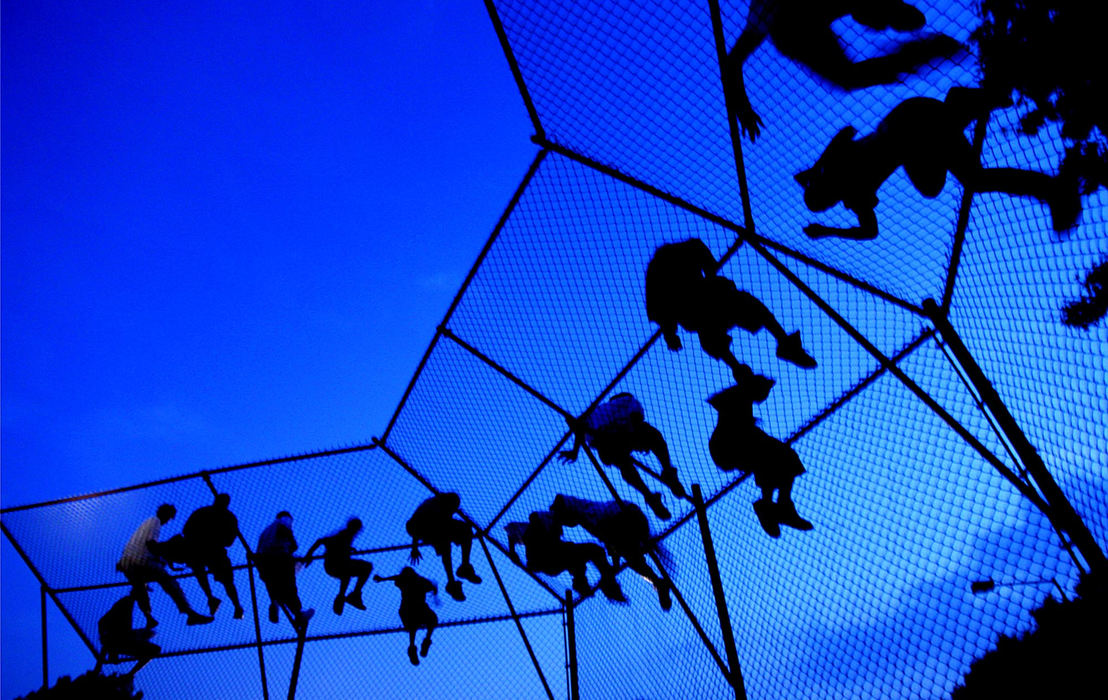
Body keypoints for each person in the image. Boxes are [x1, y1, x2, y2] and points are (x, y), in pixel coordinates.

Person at [796, 86, 1082, 240]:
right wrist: (815, 170)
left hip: (911, 129)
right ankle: (957, 108)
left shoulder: (847, 186)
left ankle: (1054, 191)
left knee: (973, 180)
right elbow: (847, 132)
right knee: (933, 184)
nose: (833, 201)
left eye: (827, 201)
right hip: (910, 121)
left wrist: (827, 231)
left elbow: (869, 230)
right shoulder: (836, 171)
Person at [723, 0, 963, 140]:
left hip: (792, 25)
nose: (876, 30)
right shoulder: (771, 16)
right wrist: (742, 106)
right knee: (847, 77)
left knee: (848, 76)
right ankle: (906, 35)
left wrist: (742, 107)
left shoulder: (773, 17)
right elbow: (733, 62)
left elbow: (733, 62)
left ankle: (903, 31)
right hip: (790, 24)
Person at [646, 239, 817, 380]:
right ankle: (767, 353)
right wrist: (670, 333)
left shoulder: (664, 265)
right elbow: (661, 311)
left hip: (704, 305)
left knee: (718, 325)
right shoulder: (669, 262)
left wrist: (670, 333)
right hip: (700, 307)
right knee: (736, 312)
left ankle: (743, 366)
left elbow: (661, 311)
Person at [707, 366, 813, 538]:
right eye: (765, 391)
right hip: (726, 447)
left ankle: (772, 507)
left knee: (770, 458)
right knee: (777, 454)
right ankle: (776, 506)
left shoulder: (742, 398)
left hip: (730, 446)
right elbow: (726, 406)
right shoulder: (740, 396)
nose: (765, 397)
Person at [559, 393, 686, 520]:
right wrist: (634, 438)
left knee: (624, 464)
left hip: (604, 442)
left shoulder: (597, 411)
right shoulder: (627, 401)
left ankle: (649, 495)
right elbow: (636, 418)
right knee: (654, 436)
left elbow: (579, 426)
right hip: (613, 436)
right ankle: (668, 471)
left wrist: (575, 451)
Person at [550, 495, 672, 611]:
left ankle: (657, 581)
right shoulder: (586, 512)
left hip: (626, 518)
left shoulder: (587, 515)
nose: (565, 524)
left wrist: (613, 564)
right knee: (632, 557)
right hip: (633, 518)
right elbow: (610, 539)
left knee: (630, 555)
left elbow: (609, 536)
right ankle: (657, 582)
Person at [149, 493, 244, 619]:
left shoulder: (205, 512)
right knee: (224, 579)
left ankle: (222, 601)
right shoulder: (228, 517)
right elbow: (229, 541)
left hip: (201, 550)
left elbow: (186, 531)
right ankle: (232, 604)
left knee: (208, 574)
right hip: (209, 550)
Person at [116, 504, 213, 628]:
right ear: (165, 514)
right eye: (169, 517)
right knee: (170, 583)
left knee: (140, 587)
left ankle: (148, 617)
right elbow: (151, 544)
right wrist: (165, 553)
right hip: (140, 560)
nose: (168, 520)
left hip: (126, 562)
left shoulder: (144, 524)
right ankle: (190, 613)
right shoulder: (155, 522)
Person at [505, 511, 626, 603]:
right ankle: (590, 582)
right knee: (584, 552)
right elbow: (513, 529)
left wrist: (512, 551)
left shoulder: (542, 527)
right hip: (548, 559)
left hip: (554, 560)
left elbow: (511, 531)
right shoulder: (538, 526)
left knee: (585, 552)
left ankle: (594, 581)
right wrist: (512, 551)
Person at [405, 493, 482, 602]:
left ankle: (464, 567)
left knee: (464, 531)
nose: (454, 510)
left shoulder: (442, 508)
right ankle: (452, 582)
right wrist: (414, 547)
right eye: (454, 507)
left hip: (436, 527)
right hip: (426, 528)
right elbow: (416, 525)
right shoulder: (434, 507)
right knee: (445, 543)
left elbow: (448, 524)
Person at [254, 511, 314, 632]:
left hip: (264, 561)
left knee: (276, 585)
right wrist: (293, 544)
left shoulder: (265, 532)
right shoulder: (283, 521)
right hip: (280, 557)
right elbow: (284, 531)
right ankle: (298, 614)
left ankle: (276, 603)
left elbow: (259, 550)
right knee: (289, 587)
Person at [304, 517, 373, 616]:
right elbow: (321, 541)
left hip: (339, 565)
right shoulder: (344, 534)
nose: (356, 531)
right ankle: (345, 596)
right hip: (333, 565)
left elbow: (331, 544)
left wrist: (347, 549)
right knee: (355, 570)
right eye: (356, 528)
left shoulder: (347, 536)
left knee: (363, 568)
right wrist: (309, 555)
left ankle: (352, 595)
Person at [374, 567, 438, 666]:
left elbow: (396, 578)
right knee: (419, 623)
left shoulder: (413, 581)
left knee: (424, 622)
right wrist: (383, 579)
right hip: (410, 608)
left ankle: (420, 644)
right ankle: (417, 645)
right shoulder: (416, 580)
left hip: (414, 608)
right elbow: (431, 586)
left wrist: (383, 579)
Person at [93, 594, 160, 674]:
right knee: (154, 648)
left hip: (119, 640)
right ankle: (129, 673)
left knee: (154, 648)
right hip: (115, 638)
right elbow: (101, 622)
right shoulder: (126, 604)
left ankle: (130, 674)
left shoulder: (127, 607)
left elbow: (101, 622)